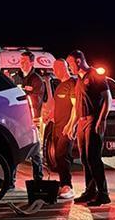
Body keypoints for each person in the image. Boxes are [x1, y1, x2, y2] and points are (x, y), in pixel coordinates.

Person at [65, 50, 112, 206]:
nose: (69, 67)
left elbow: (107, 98)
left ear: (78, 61)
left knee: (93, 158)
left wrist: (101, 120)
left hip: (93, 120)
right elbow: (76, 106)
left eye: (70, 64)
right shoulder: (78, 80)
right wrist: (72, 124)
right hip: (82, 122)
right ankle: (90, 191)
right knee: (85, 159)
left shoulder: (94, 75)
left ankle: (103, 193)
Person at [16, 50, 45, 186]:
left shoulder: (37, 80)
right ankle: (11, 181)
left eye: (25, 61)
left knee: (35, 150)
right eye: (21, 61)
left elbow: (36, 100)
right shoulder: (16, 77)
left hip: (32, 120)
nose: (22, 64)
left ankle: (38, 179)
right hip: (17, 120)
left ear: (32, 62)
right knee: (14, 148)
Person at [52, 59, 77, 199]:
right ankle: (63, 185)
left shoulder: (72, 84)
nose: (54, 71)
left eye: (56, 68)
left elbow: (75, 106)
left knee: (63, 156)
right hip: (57, 126)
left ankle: (68, 187)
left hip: (66, 127)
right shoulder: (59, 86)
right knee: (58, 157)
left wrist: (71, 125)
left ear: (64, 68)